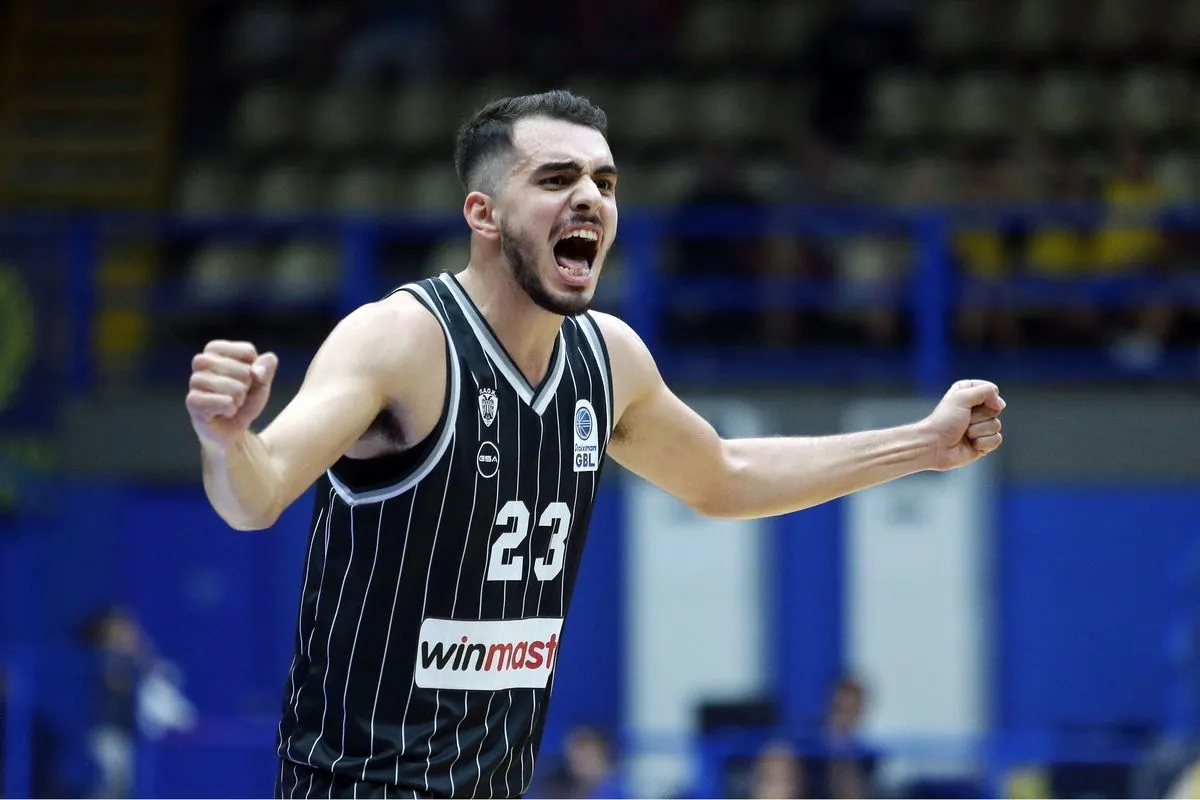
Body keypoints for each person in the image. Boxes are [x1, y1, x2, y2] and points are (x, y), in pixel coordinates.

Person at [184, 90, 1006, 800]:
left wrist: (921, 446)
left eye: (604, 183)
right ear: (483, 214)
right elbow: (258, 494)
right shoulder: (400, 340)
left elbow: (725, 475)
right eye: (556, 179)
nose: (590, 198)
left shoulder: (608, 359)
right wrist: (228, 440)